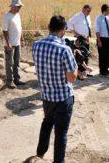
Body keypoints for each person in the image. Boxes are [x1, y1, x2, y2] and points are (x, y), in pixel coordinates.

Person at [32, 15, 78, 162]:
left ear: (49, 27)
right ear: (63, 30)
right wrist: (76, 68)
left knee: (47, 123)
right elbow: (72, 78)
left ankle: (39, 154)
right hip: (63, 97)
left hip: (46, 96)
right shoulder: (65, 50)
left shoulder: (36, 45)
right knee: (61, 133)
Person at [3, 0, 25, 89]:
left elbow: (20, 28)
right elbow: (4, 31)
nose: (19, 8)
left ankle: (16, 79)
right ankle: (9, 81)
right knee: (9, 63)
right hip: (10, 44)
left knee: (16, 62)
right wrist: (8, 44)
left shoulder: (18, 15)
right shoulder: (7, 17)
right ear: (12, 6)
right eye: (18, 6)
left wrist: (22, 39)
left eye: (20, 7)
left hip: (17, 43)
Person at [67, 4, 93, 74]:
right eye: (88, 11)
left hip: (86, 38)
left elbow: (88, 27)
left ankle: (85, 71)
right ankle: (79, 72)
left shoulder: (88, 17)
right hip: (79, 38)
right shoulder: (77, 16)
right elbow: (69, 23)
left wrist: (88, 37)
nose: (89, 13)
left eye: (90, 11)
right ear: (83, 9)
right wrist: (75, 32)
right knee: (79, 55)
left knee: (86, 55)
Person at [95, 4, 109, 75]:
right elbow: (97, 31)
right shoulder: (98, 18)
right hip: (101, 39)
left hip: (107, 39)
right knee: (102, 55)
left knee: (107, 55)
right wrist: (99, 41)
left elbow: (108, 28)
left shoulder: (107, 18)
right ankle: (102, 70)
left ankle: (106, 69)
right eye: (108, 10)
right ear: (104, 10)